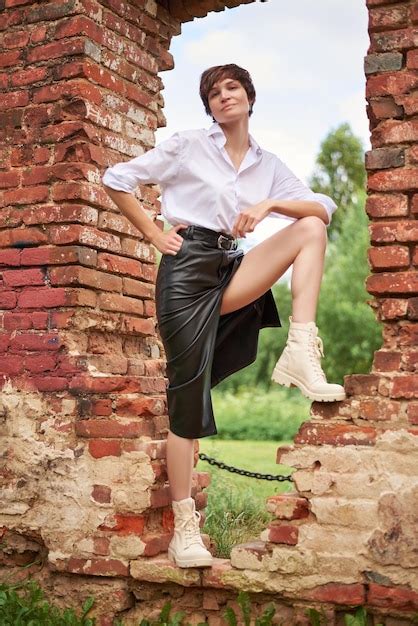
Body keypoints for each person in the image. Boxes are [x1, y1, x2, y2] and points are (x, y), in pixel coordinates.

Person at [102, 63, 346, 569]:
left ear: (249, 98)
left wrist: (273, 203)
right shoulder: (188, 146)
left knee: (309, 231)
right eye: (214, 93)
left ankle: (301, 351)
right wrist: (151, 231)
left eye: (232, 88)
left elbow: (322, 207)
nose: (224, 97)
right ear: (209, 107)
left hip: (231, 267)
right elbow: (116, 178)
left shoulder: (266, 163)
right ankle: (185, 527)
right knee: (187, 397)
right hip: (186, 271)